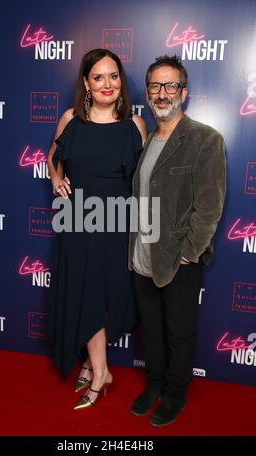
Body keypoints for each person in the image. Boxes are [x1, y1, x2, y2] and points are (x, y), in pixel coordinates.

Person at [46, 48, 147, 410]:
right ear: (87, 83)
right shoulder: (71, 118)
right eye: (99, 77)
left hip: (115, 222)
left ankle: (92, 364)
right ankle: (101, 371)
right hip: (76, 219)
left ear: (121, 82)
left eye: (114, 76)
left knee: (105, 298)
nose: (108, 84)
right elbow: (51, 158)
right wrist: (58, 180)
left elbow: (146, 180)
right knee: (85, 293)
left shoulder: (134, 125)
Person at [129, 55, 226, 426]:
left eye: (171, 86)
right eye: (155, 86)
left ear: (184, 92)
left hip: (179, 260)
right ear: (149, 93)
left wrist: (187, 254)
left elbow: (209, 208)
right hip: (142, 255)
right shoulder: (148, 139)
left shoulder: (205, 139)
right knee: (150, 329)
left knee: (178, 332)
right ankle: (153, 386)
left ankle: (174, 395)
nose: (162, 93)